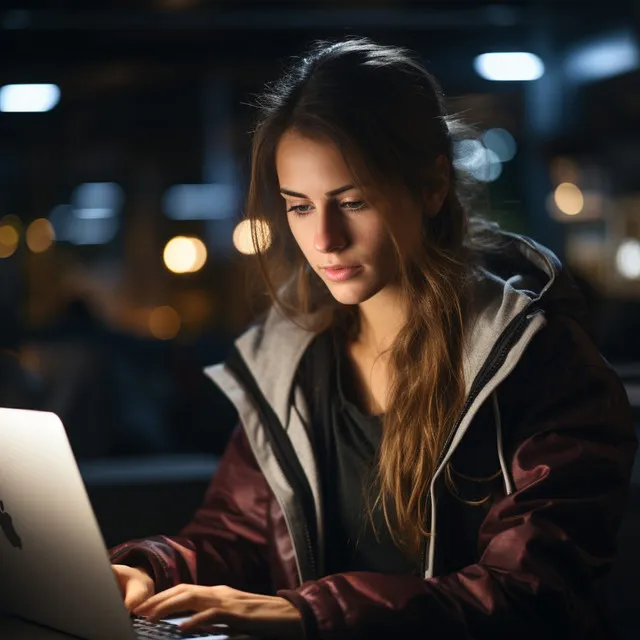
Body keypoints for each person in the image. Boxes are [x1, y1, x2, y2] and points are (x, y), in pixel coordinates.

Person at [108, 38, 637, 639]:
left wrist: (306, 613)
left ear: (433, 186)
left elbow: (533, 594)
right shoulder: (290, 363)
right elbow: (235, 533)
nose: (325, 239)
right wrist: (146, 567)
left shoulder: (540, 362)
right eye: (300, 207)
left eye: (352, 201)